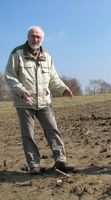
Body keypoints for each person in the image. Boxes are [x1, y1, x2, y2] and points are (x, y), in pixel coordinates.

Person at [5, 26, 75, 175]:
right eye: (33, 36)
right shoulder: (17, 53)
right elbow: (10, 76)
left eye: (38, 37)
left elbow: (53, 77)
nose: (35, 39)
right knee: (28, 134)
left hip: (45, 102)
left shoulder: (47, 55)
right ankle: (33, 165)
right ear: (28, 37)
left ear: (42, 39)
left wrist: (63, 88)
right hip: (24, 102)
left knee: (53, 130)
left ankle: (61, 161)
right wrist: (21, 91)